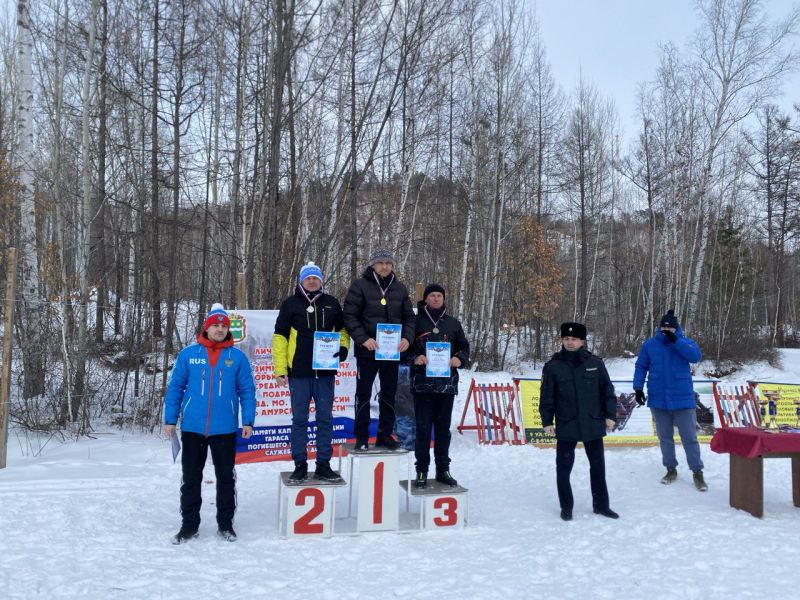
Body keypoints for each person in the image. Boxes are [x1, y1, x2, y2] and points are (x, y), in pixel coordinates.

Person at [164, 303, 256, 544]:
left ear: (229, 330)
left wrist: (248, 420)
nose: (219, 329)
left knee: (226, 478)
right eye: (215, 325)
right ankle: (189, 526)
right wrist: (170, 420)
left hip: (224, 428)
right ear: (206, 328)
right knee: (190, 478)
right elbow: (175, 388)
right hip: (193, 428)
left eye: (223, 326)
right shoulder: (188, 354)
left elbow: (247, 390)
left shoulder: (237, 357)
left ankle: (225, 525)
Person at [273, 262, 350, 484]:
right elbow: (279, 338)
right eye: (308, 278)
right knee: (299, 420)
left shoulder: (332, 303)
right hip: (299, 373)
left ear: (321, 280)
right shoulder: (290, 304)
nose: (312, 281)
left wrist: (343, 348)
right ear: (301, 280)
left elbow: (343, 330)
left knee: (325, 419)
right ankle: (300, 465)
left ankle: (323, 465)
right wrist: (280, 369)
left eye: (316, 278)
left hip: (325, 373)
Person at [539, 322, 619, 521]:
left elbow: (607, 392)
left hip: (593, 422)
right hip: (567, 423)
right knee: (563, 468)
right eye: (566, 339)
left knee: (598, 467)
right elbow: (546, 396)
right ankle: (566, 507)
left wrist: (610, 415)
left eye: (574, 339)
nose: (570, 342)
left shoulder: (595, 363)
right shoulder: (553, 366)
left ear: (582, 341)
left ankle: (601, 505)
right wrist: (547, 421)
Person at [343, 248, 416, 450]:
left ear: (392, 265)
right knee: (364, 394)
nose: (384, 266)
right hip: (368, 351)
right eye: (380, 262)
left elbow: (409, 318)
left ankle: (384, 435)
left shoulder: (400, 289)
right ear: (373, 265)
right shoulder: (360, 286)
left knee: (389, 394)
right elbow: (349, 315)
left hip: (391, 352)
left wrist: (407, 339)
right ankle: (362, 437)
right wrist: (363, 338)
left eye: (388, 263)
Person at [633, 309, 707, 491]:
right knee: (665, 437)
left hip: (683, 400)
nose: (666, 329)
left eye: (670, 327)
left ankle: (697, 472)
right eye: (664, 326)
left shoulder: (685, 342)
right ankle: (671, 469)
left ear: (676, 328)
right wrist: (638, 387)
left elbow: (695, 357)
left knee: (689, 437)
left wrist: (677, 341)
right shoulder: (650, 345)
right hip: (659, 399)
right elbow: (641, 366)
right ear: (659, 327)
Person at [410, 284, 470, 488]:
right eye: (432, 296)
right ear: (425, 298)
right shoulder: (415, 321)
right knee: (423, 429)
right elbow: (404, 347)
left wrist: (459, 359)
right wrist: (414, 357)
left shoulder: (453, 323)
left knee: (443, 430)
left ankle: (443, 469)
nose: (436, 299)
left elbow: (464, 347)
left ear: (443, 299)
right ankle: (421, 470)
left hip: (446, 386)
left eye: (439, 296)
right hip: (423, 385)